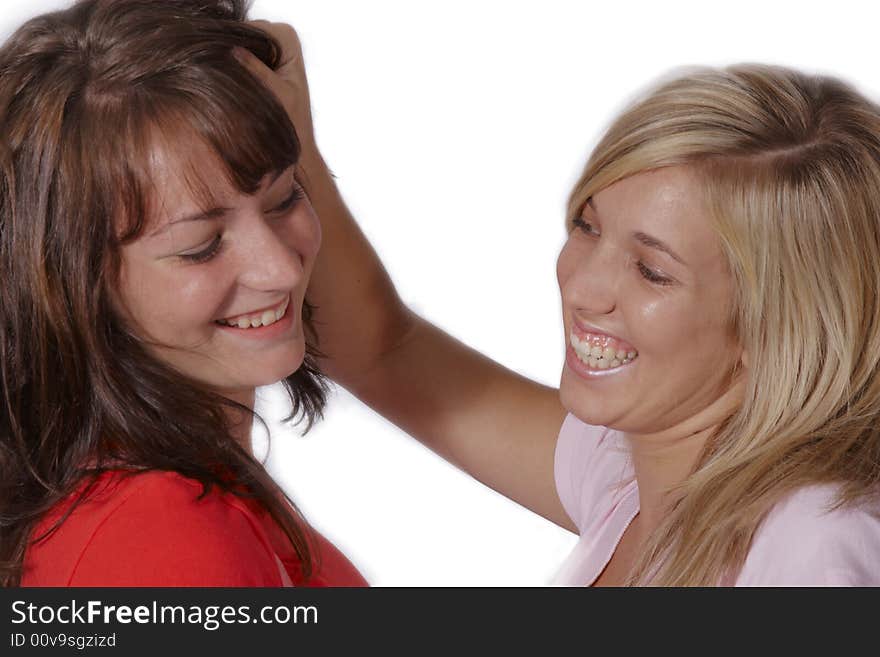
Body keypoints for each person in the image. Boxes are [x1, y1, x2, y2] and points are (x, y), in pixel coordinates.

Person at [242, 33, 880, 584]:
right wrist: (292, 144)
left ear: (779, 325)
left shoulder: (813, 546)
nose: (581, 288)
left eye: (652, 272)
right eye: (588, 225)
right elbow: (383, 352)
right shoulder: (629, 473)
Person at [0, 0, 366, 586]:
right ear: (74, 284)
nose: (281, 269)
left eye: (285, 198)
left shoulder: (158, 493)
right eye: (200, 245)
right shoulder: (172, 542)